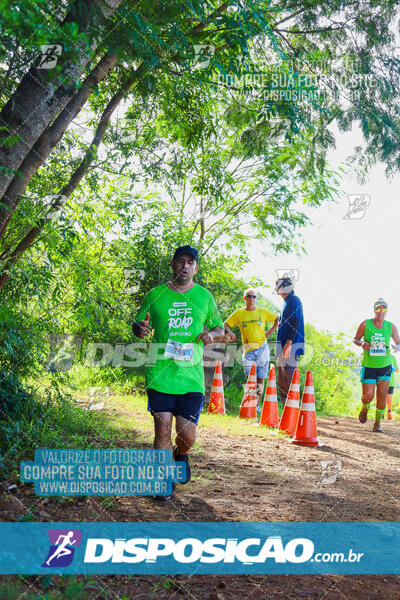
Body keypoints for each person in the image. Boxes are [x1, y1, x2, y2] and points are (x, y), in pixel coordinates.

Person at [132, 245, 224, 500]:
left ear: (195, 268)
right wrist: (139, 329)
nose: (185, 266)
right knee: (161, 431)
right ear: (173, 265)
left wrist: (211, 335)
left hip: (191, 377)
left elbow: (219, 327)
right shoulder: (155, 294)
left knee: (187, 435)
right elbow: (140, 323)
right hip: (160, 373)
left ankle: (180, 455)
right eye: (180, 261)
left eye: (190, 262)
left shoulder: (204, 297)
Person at [223, 288, 278, 410]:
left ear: (256, 299)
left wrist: (269, 332)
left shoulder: (262, 312)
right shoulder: (239, 313)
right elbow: (225, 324)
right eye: (249, 296)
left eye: (254, 297)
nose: (251, 299)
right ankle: (249, 404)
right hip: (248, 350)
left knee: (260, 379)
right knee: (250, 379)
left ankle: (256, 406)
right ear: (245, 298)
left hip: (262, 349)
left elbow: (277, 318)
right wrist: (231, 333)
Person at [353, 298, 400, 432]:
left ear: (386, 311)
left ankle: (377, 423)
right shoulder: (365, 324)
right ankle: (365, 407)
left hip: (385, 365)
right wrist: (362, 343)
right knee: (368, 396)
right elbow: (355, 339)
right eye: (378, 308)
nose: (380, 311)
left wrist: (396, 348)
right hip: (369, 365)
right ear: (374, 309)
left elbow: (399, 343)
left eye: (383, 308)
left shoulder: (391, 326)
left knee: (382, 394)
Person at [273, 277, 305, 407]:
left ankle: (292, 412)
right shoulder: (286, 302)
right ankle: (287, 413)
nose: (276, 288)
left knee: (289, 379)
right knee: (282, 380)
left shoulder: (294, 300)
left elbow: (296, 321)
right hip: (283, 346)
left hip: (290, 346)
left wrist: (288, 344)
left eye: (278, 286)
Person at [386, 354, 399, 420]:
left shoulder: (392, 357)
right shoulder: (379, 355)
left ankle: (389, 412)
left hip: (390, 382)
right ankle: (381, 413)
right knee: (381, 397)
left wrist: (392, 367)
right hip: (380, 381)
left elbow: (397, 370)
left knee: (389, 400)